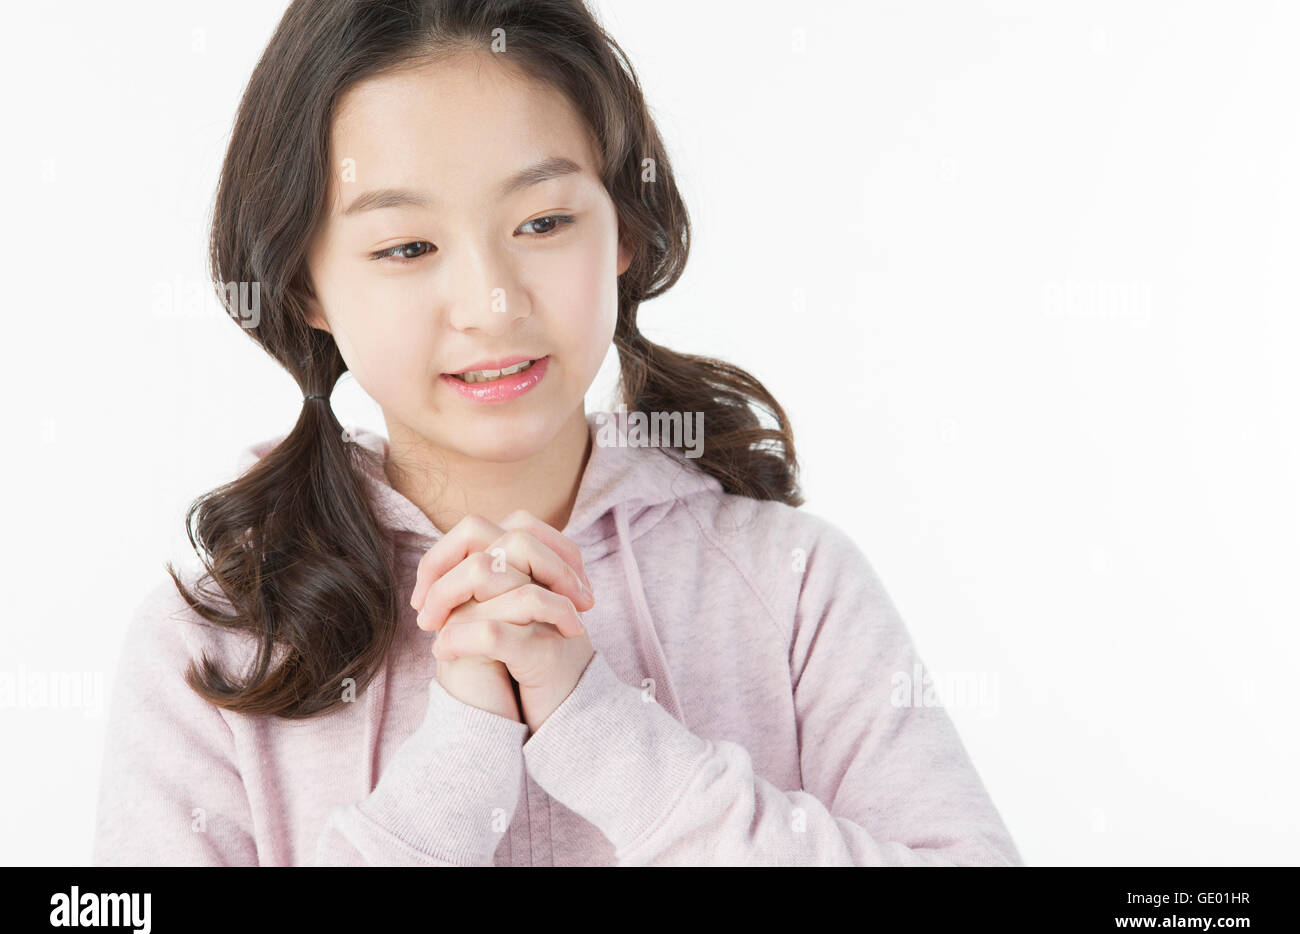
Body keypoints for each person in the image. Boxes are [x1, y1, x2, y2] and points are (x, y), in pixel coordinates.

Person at [91, 0, 1023, 866]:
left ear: (623, 227)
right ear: (305, 286)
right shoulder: (213, 647)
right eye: (407, 247)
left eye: (542, 221)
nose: (492, 307)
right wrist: (453, 773)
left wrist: (608, 737)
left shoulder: (792, 587)